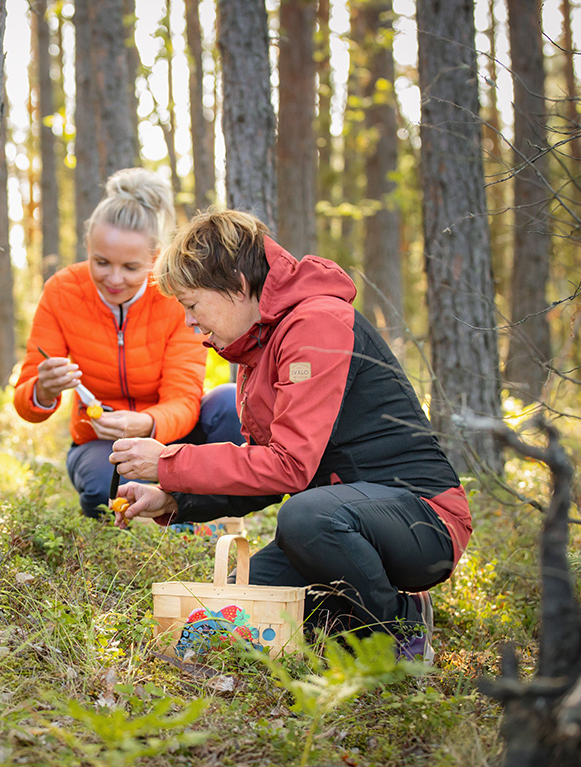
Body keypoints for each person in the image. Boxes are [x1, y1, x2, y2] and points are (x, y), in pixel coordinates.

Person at [110, 210, 472, 660]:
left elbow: (290, 467)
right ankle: (365, 617)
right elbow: (260, 466)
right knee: (241, 610)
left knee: (304, 518)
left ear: (238, 286)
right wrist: (175, 498)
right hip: (341, 518)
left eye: (192, 303)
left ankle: (399, 630)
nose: (189, 321)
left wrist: (168, 461)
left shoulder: (315, 324)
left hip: (422, 520)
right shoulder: (255, 347)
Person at [12, 169, 243, 518]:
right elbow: (25, 402)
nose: (114, 279)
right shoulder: (63, 291)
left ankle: (193, 515)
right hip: (100, 442)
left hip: (172, 435)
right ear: (88, 248)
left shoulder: (174, 296)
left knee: (230, 403)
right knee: (102, 490)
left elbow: (183, 397)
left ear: (154, 258)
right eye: (101, 262)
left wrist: (147, 425)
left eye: (131, 267)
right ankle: (132, 520)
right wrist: (43, 389)